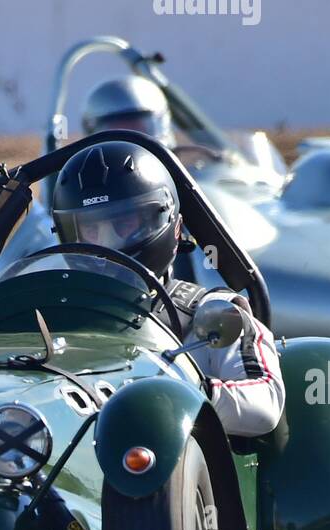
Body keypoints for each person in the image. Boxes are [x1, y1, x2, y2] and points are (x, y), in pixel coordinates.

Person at [49, 140, 284, 437]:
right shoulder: (52, 317)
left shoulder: (213, 312)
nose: (106, 245)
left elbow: (264, 405)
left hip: (175, 469)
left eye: (124, 225)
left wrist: (182, 391)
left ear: (171, 224)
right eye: (91, 230)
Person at [81, 76, 178, 147]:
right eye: (116, 130)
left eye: (135, 126)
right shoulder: (85, 173)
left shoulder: (184, 171)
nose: (128, 136)